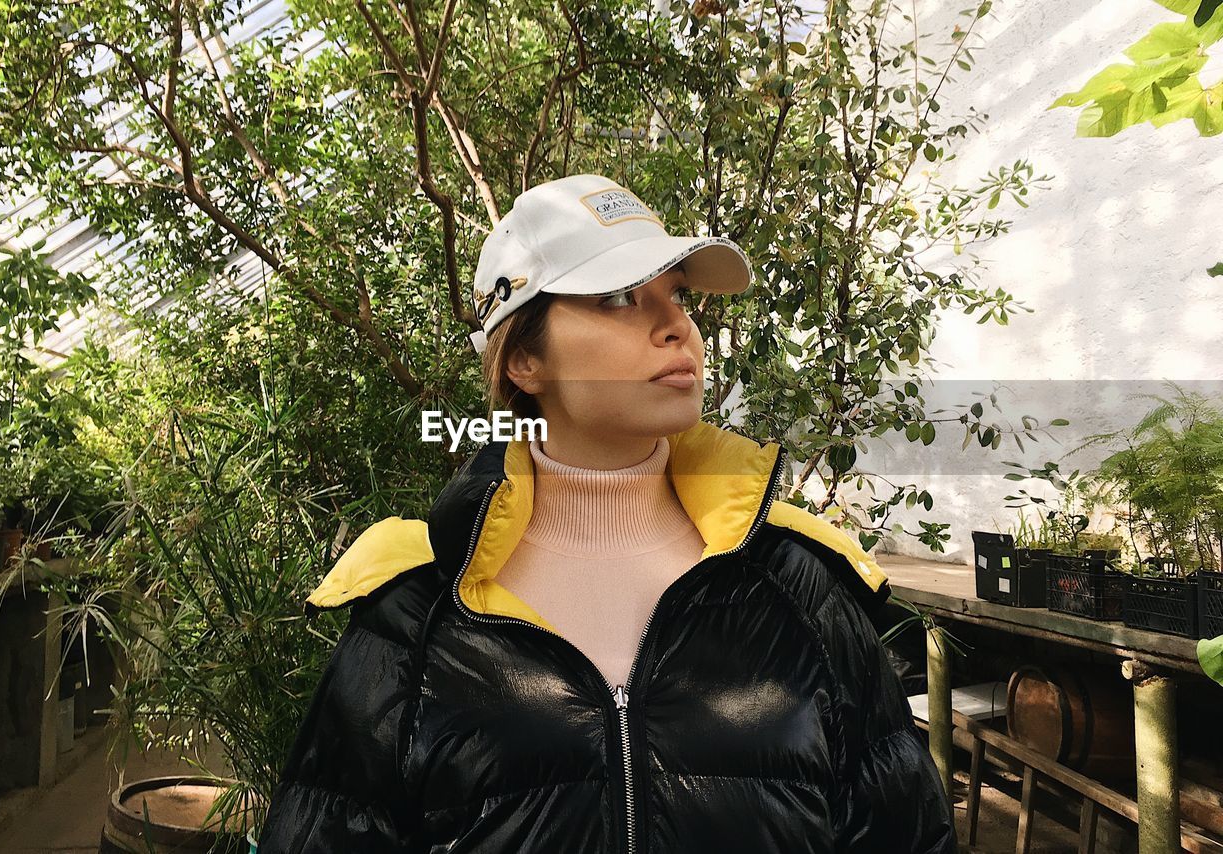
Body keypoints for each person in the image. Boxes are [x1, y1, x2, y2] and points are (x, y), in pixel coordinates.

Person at [256, 174, 956, 853]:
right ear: (525, 359)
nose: (677, 326)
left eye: (676, 294)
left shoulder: (799, 585)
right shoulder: (416, 609)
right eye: (620, 296)